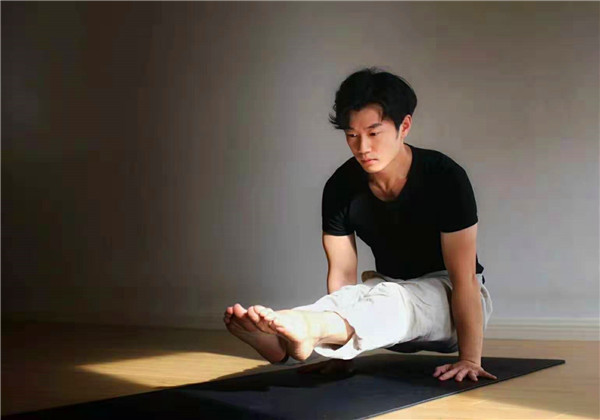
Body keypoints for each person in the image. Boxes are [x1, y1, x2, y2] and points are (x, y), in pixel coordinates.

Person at [223, 67, 497, 382]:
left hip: (450, 301)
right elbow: (342, 276)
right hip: (385, 296)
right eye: (352, 135)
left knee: (393, 298)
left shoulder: (445, 177)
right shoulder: (340, 186)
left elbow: (464, 280)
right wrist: (341, 358)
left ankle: (308, 326)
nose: (362, 148)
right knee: (363, 296)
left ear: (404, 126)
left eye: (374, 133)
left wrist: (470, 359)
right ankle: (282, 345)